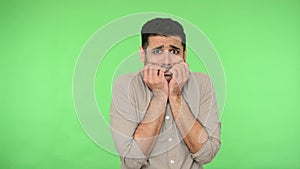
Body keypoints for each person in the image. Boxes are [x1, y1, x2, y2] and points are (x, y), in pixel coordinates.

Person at [110, 18, 221, 169]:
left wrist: (175, 95)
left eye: (174, 51)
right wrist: (159, 96)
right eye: (157, 51)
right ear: (143, 54)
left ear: (184, 55)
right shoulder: (125, 86)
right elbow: (131, 161)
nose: (166, 61)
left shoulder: (202, 84)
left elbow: (207, 154)